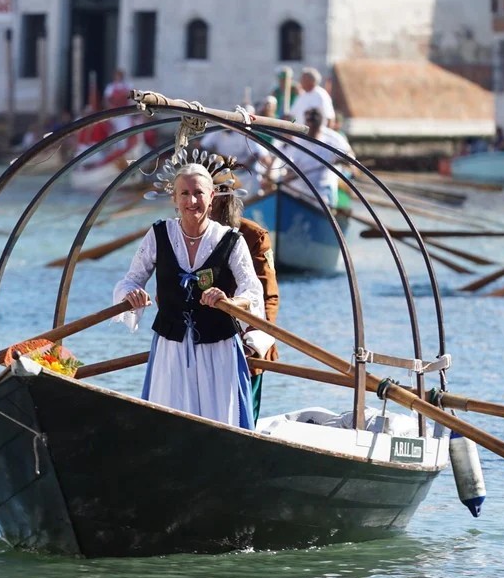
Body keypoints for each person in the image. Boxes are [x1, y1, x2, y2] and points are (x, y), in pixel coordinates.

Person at [114, 162, 264, 429]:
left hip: (218, 349)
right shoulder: (158, 234)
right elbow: (131, 279)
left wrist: (230, 303)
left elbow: (252, 291)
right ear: (174, 197)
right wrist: (132, 295)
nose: (192, 200)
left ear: (212, 198)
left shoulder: (231, 240)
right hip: (170, 348)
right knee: (167, 423)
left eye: (199, 193)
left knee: (219, 423)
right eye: (184, 193)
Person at [208, 159, 279, 421]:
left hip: (247, 343)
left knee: (243, 419)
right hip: (203, 342)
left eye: (223, 199)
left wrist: (254, 343)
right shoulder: (184, 234)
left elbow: (267, 295)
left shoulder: (253, 235)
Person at [279, 107, 354, 207]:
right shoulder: (298, 141)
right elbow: (288, 172)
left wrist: (342, 159)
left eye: (313, 124)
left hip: (323, 194)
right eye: (308, 123)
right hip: (299, 193)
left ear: (319, 125)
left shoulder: (333, 139)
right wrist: (285, 179)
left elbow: (351, 159)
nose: (310, 127)